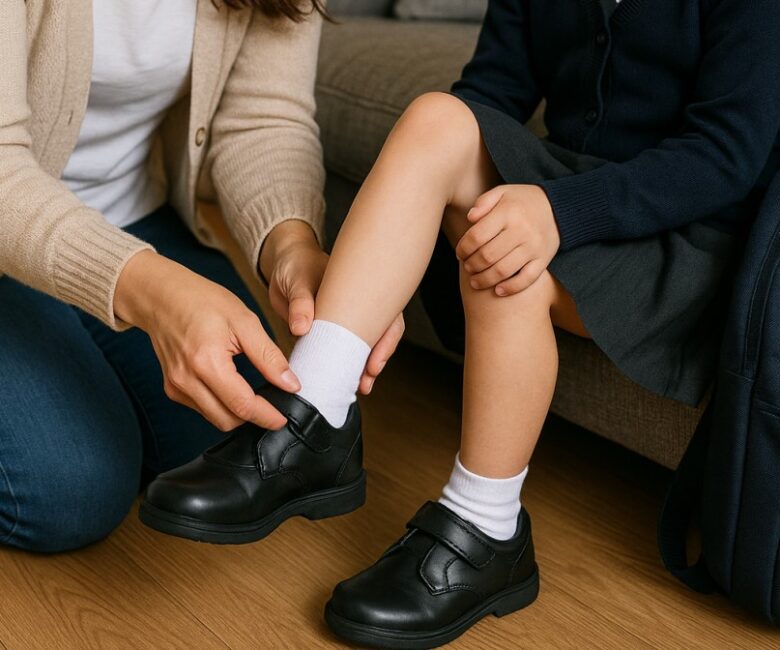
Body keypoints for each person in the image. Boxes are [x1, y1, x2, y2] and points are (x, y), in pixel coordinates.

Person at [141, 0, 780, 647]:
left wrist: (555, 213)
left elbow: (726, 156)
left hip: (688, 231)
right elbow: (490, 95)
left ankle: (487, 527)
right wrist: (414, 238)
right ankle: (314, 415)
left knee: (500, 247)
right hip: (566, 185)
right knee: (438, 121)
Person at [0, 0, 402, 554]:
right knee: (69, 490)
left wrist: (292, 245)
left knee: (231, 424)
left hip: (131, 217)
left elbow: (264, 117)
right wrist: (152, 291)